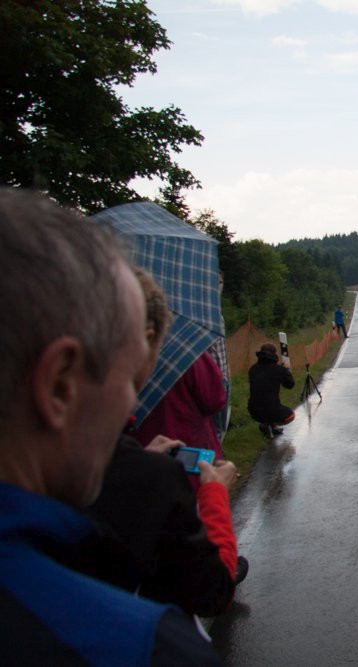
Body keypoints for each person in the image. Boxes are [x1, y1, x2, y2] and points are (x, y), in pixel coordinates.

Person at [0, 188, 221, 664]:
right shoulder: (147, 646)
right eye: (128, 378)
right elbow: (210, 590)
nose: (132, 405)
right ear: (60, 386)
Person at [76, 269, 245, 616]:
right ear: (145, 339)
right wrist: (215, 494)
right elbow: (215, 399)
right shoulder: (189, 352)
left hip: (141, 448)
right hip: (191, 460)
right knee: (192, 548)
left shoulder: (79, 451)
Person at [132, 350, 228, 460]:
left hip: (141, 454)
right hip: (191, 451)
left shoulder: (122, 359)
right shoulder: (185, 352)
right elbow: (215, 400)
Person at [248, 343, 296, 437]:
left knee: (267, 403)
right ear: (274, 354)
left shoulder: (253, 369)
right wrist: (286, 370)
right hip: (273, 410)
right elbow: (290, 385)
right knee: (291, 415)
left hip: (253, 410)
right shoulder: (279, 370)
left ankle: (266, 424)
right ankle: (270, 424)